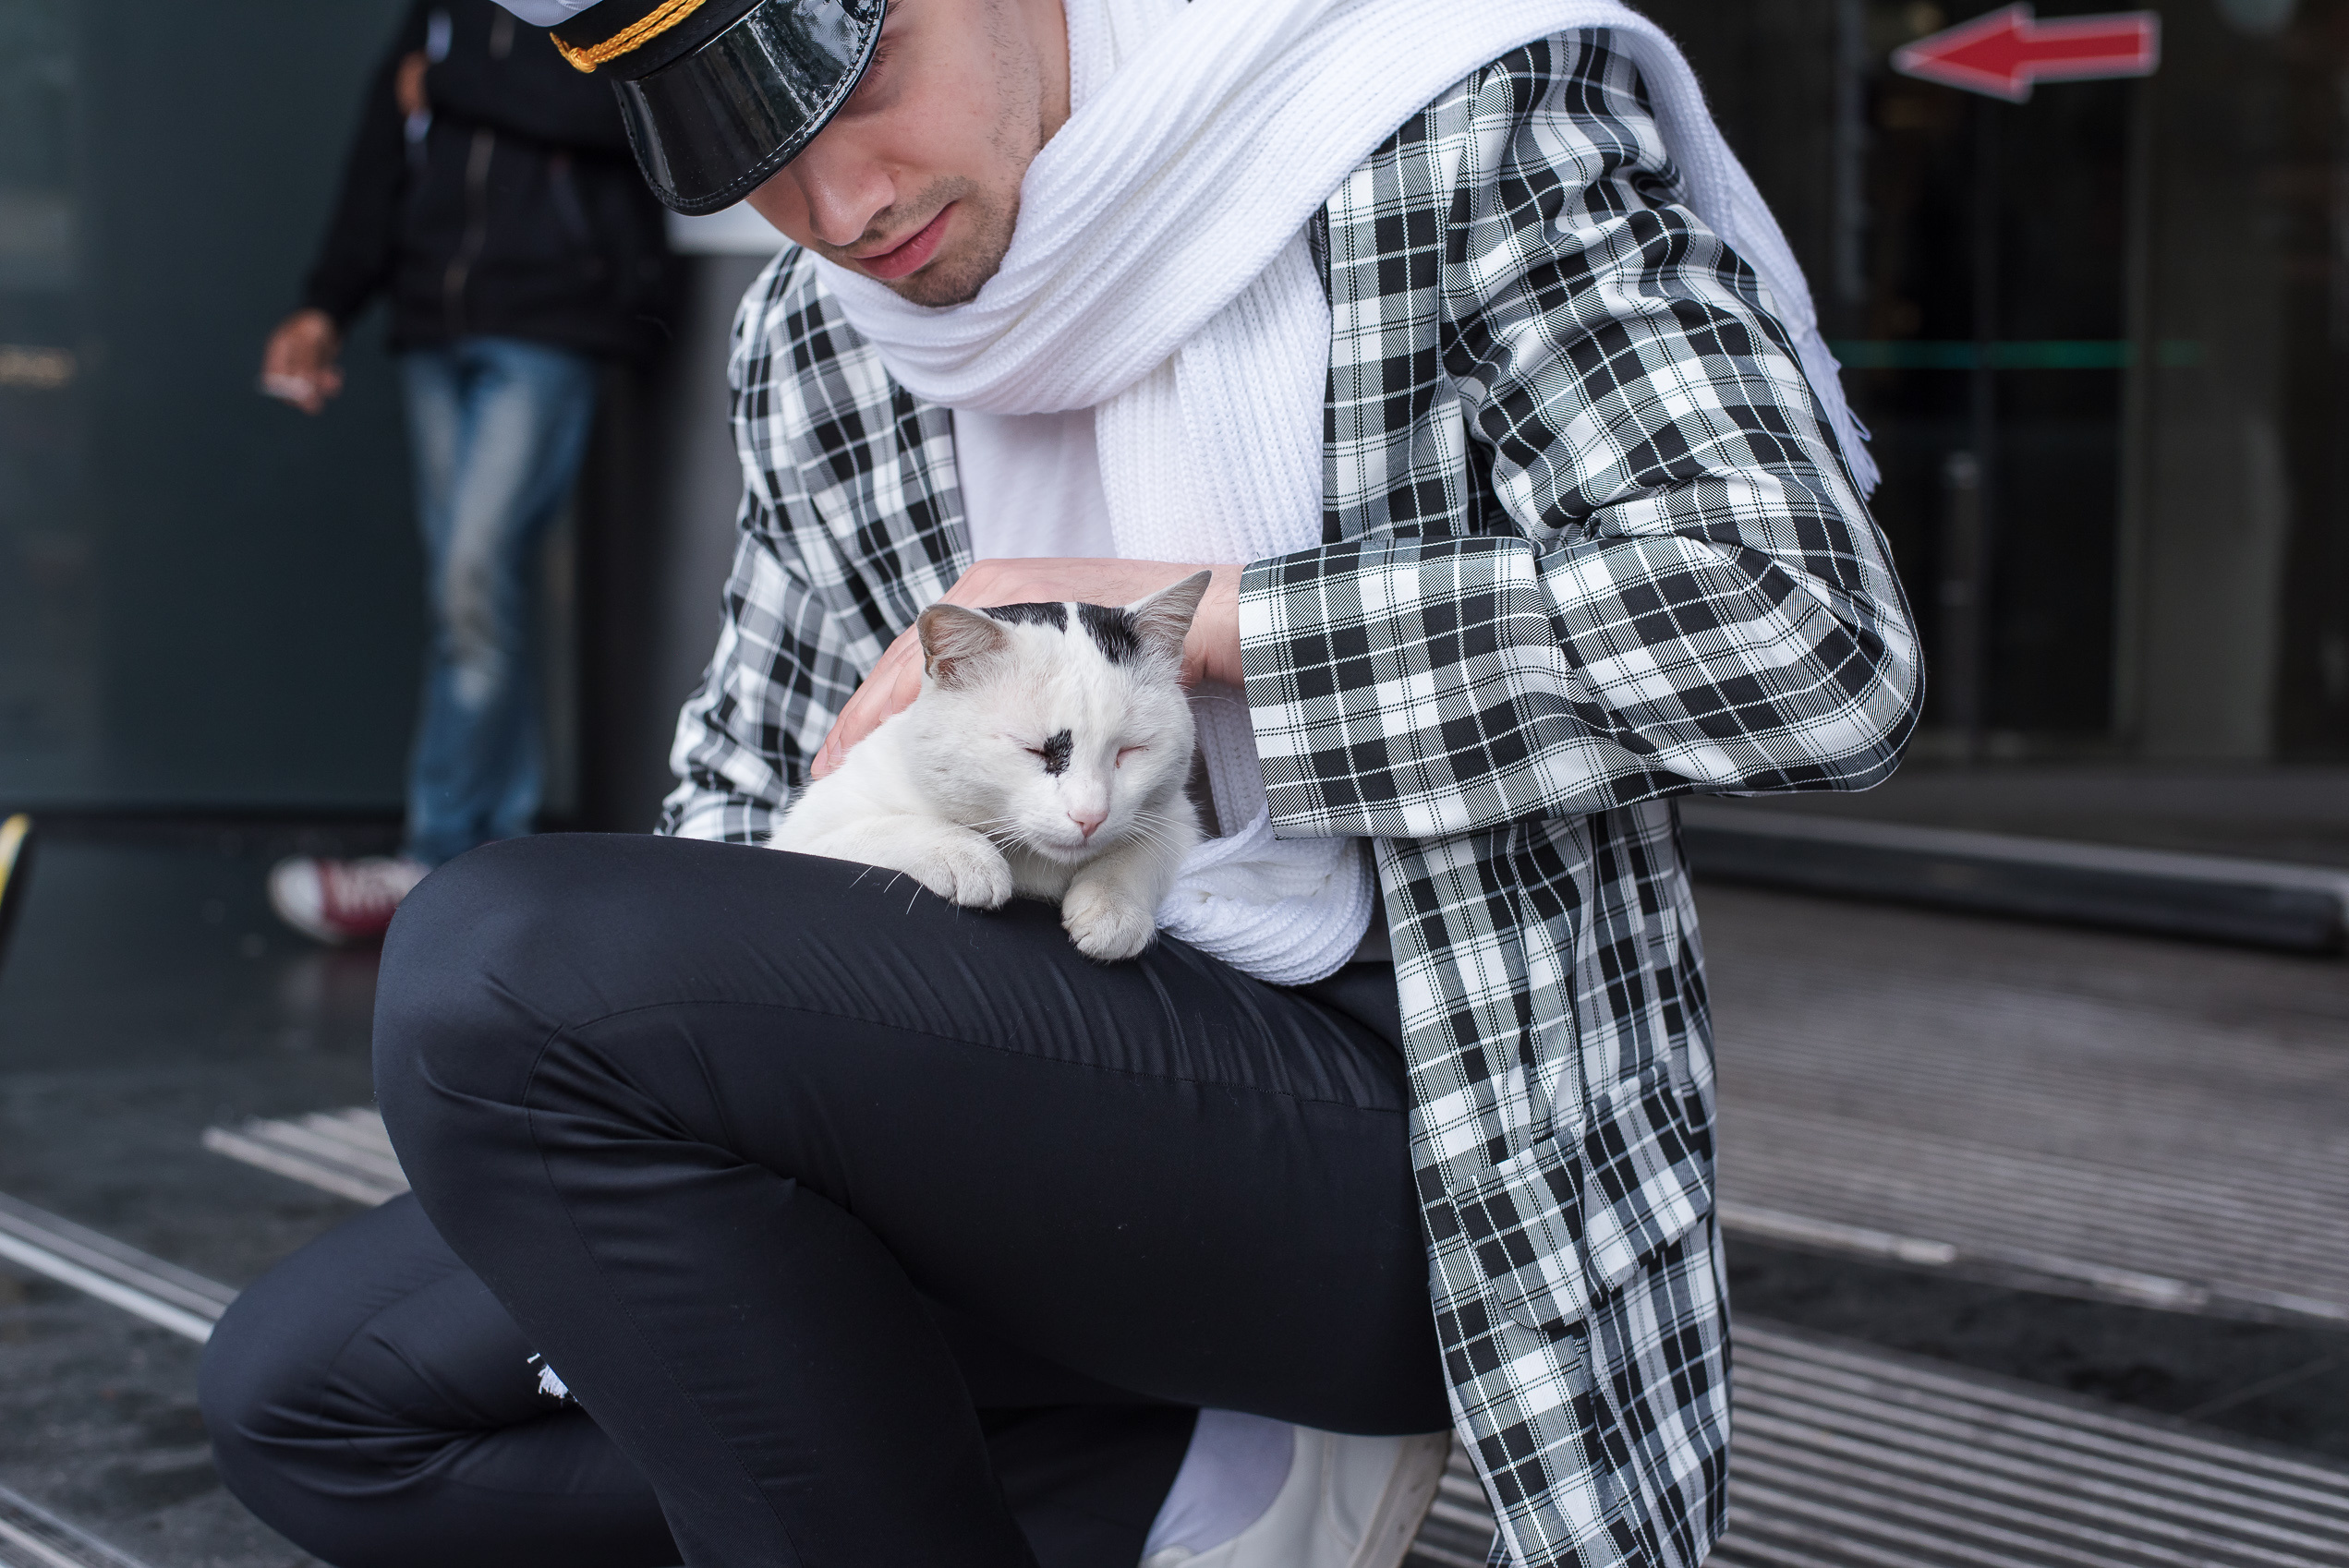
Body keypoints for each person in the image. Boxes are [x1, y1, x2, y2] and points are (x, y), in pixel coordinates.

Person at [200, 1, 1921, 1565]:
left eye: (845, 74)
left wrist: (1197, 627)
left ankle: (1196, 1432)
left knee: (491, 955)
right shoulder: (823, 337)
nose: (833, 202)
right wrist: (639, 1260)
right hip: (995, 1089)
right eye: (736, 145)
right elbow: (739, 797)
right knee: (310, 1399)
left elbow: (1805, 637)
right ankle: (1150, 1486)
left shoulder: (1442, 118)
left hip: (1412, 1141)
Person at [259, 0, 672, 946]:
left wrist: (449, 87)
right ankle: (498, 856)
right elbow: (378, 153)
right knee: (473, 601)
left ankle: (437, 852)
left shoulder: (589, 11)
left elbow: (620, 115)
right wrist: (326, 305)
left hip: (546, 331)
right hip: (432, 333)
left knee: (471, 581)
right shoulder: (440, 13)